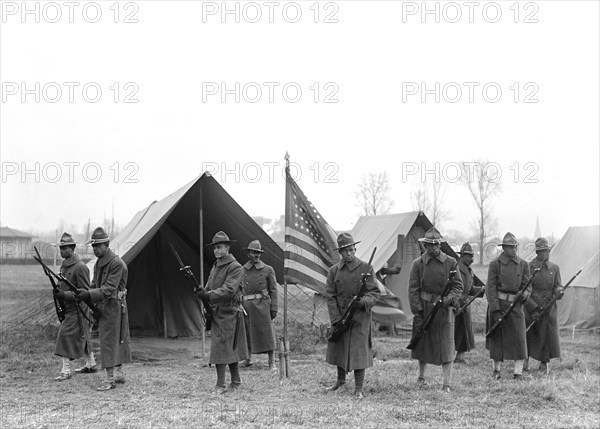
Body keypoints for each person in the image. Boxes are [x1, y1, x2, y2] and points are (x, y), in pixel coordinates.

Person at [76, 227, 131, 391]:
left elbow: (109, 289)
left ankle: (109, 379)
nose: (95, 249)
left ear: (107, 244)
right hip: (103, 304)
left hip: (114, 305)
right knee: (113, 340)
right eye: (93, 246)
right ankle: (118, 374)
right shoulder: (99, 263)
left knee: (111, 341)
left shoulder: (116, 263)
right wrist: (88, 296)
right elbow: (95, 285)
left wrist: (89, 295)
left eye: (98, 245)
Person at [325, 233, 380, 399]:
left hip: (360, 316)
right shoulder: (334, 271)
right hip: (341, 315)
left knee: (358, 351)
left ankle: (358, 388)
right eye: (345, 251)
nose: (349, 254)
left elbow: (374, 293)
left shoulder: (366, 268)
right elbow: (330, 295)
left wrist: (362, 302)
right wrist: (335, 319)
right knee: (340, 348)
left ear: (355, 249)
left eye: (351, 249)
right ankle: (340, 381)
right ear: (340, 252)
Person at [409, 227, 463, 392]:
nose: (432, 248)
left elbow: (458, 287)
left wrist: (447, 300)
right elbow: (413, 290)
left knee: (446, 345)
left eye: (435, 245)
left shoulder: (451, 262)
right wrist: (417, 312)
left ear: (439, 245)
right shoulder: (418, 264)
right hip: (425, 308)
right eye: (428, 245)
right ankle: (421, 377)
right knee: (422, 343)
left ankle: (446, 382)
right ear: (424, 245)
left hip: (444, 310)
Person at [196, 231, 248, 394]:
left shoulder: (235, 267)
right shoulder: (216, 266)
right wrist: (202, 291)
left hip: (229, 312)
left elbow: (229, 290)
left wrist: (208, 295)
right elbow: (211, 286)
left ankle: (221, 385)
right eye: (214, 248)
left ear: (227, 248)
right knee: (227, 348)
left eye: (219, 247)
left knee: (222, 347)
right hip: (217, 312)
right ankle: (236, 381)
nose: (216, 251)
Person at [485, 232, 531, 380]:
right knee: (498, 339)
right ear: (503, 248)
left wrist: (523, 295)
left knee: (519, 338)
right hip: (499, 304)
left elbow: (528, 286)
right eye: (511, 247)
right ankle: (496, 370)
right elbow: (490, 288)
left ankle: (518, 372)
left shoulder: (523, 264)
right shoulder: (495, 264)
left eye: (515, 246)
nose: (514, 249)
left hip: (516, 306)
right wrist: (495, 309)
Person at [52, 232, 97, 381]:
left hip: (79, 308)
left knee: (64, 335)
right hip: (69, 307)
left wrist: (64, 296)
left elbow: (84, 292)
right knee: (84, 335)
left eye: (64, 248)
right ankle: (91, 363)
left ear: (72, 249)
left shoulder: (80, 267)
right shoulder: (64, 266)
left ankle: (66, 370)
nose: (62, 251)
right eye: (61, 248)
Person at [524, 237, 564, 374]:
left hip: (549, 307)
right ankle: (525, 359)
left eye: (548, 250)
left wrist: (559, 291)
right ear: (538, 253)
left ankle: (544, 363)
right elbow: (525, 290)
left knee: (547, 335)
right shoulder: (529, 267)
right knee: (529, 334)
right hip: (532, 306)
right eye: (545, 251)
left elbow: (558, 285)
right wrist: (532, 308)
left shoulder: (555, 268)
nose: (548, 253)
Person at [240, 240, 278, 371]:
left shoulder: (268, 269)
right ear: (248, 253)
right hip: (247, 306)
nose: (256, 255)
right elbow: (238, 289)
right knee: (247, 332)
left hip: (263, 306)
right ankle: (247, 359)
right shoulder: (242, 270)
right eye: (253, 252)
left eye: (258, 253)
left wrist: (274, 308)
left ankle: (271, 362)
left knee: (267, 333)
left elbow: (273, 290)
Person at [454, 242, 484, 364]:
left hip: (465, 306)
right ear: (462, 256)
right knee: (452, 332)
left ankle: (460, 357)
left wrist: (481, 290)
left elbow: (469, 289)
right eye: (468, 256)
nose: (471, 259)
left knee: (463, 332)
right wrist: (456, 301)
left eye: (472, 256)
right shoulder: (455, 269)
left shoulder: (470, 271)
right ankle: (447, 356)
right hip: (455, 305)